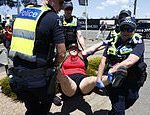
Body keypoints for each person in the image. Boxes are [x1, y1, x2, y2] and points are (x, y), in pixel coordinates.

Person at [8, 0, 66, 115]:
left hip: (18, 76)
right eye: (61, 2)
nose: (62, 7)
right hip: (39, 79)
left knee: (31, 106)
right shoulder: (53, 17)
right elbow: (62, 53)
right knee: (43, 107)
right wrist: (55, 64)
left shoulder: (22, 14)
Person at [97, 17, 147, 115]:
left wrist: (112, 69)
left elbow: (131, 60)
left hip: (133, 80)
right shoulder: (113, 41)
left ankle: (113, 112)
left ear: (134, 30)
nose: (126, 32)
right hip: (115, 81)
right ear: (120, 28)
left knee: (132, 98)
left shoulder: (138, 41)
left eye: (129, 29)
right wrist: (99, 79)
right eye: (123, 28)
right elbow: (103, 61)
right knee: (119, 109)